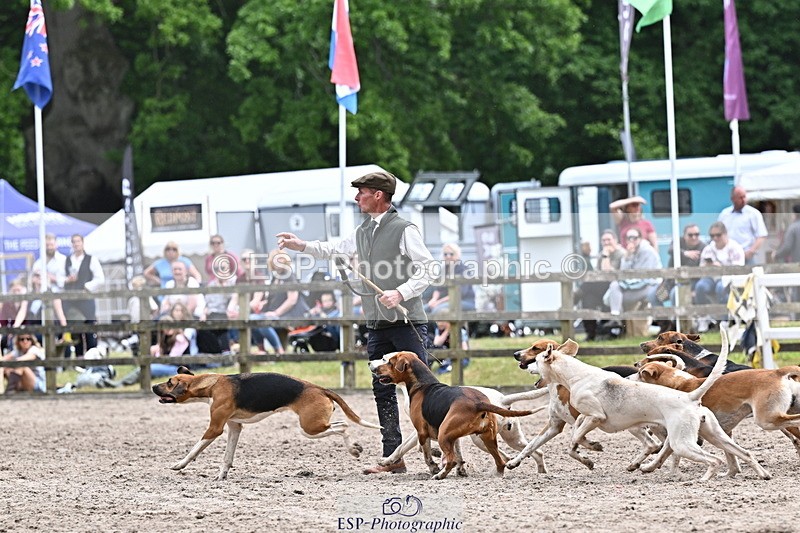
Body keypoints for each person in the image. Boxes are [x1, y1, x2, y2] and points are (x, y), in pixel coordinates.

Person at [276, 170, 435, 474]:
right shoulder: (362, 231)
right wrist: (302, 246)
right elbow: (334, 249)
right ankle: (393, 457)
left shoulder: (404, 229)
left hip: (406, 321)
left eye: (361, 191)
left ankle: (439, 448)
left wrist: (401, 293)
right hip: (376, 324)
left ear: (378, 195)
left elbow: (429, 269)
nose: (356, 197)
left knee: (422, 388)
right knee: (382, 389)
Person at [603, 227, 662, 326]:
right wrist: (627, 256)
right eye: (628, 238)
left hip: (649, 286)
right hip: (633, 285)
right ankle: (616, 320)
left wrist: (625, 283)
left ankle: (620, 325)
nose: (631, 240)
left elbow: (644, 277)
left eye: (634, 237)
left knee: (614, 297)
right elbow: (624, 272)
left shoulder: (647, 252)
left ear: (640, 238)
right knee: (614, 286)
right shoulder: (630, 251)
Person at [695, 221, 745, 331]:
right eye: (712, 235)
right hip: (711, 277)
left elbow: (738, 269)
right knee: (700, 287)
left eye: (718, 235)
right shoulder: (708, 248)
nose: (715, 238)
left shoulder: (735, 247)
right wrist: (709, 266)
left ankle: (724, 320)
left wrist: (721, 267)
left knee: (721, 287)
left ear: (725, 234)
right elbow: (701, 268)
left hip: (729, 278)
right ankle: (704, 317)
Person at [578, 229, 625, 341]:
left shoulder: (621, 253)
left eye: (608, 239)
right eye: (603, 240)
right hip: (602, 288)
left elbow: (607, 273)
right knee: (587, 299)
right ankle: (591, 334)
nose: (606, 242)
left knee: (587, 286)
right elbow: (598, 275)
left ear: (616, 240)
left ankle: (575, 295)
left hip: (617, 288)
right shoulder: (602, 254)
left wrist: (605, 255)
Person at [63, 234, 105, 355]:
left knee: (90, 330)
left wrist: (86, 287)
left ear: (82, 243)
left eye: (78, 241)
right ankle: (79, 359)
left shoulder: (91, 259)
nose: (76, 244)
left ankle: (93, 358)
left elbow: (100, 279)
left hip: (86, 299)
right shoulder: (67, 260)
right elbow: (61, 278)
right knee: (76, 330)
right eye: (74, 242)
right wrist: (67, 280)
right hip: (71, 300)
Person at [648, 223, 706, 308]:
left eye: (696, 234)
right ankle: (663, 320)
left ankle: (677, 320)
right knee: (654, 296)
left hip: (689, 284)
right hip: (670, 283)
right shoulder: (679, 242)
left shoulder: (703, 247)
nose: (694, 237)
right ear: (685, 236)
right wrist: (684, 253)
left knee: (675, 294)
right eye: (690, 235)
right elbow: (671, 250)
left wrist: (695, 290)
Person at [718, 186, 767, 265]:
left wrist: (751, 251)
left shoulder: (753, 213)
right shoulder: (724, 214)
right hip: (728, 256)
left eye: (744, 197)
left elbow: (761, 235)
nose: (743, 200)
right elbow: (718, 233)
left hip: (746, 256)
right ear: (733, 199)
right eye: (740, 197)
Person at [29, 233, 69, 330]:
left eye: (51, 245)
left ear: (56, 245)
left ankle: (65, 333)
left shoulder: (64, 260)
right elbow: (32, 282)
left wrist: (52, 277)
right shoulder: (38, 263)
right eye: (47, 245)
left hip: (62, 297)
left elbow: (68, 280)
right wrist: (36, 279)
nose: (49, 247)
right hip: (41, 297)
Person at [425, 242, 476, 314]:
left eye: (451, 254)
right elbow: (438, 289)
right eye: (445, 254)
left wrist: (438, 302)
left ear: (457, 255)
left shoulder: (464, 269)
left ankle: (437, 325)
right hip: (445, 301)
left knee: (436, 310)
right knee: (424, 310)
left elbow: (459, 293)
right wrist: (433, 300)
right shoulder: (443, 269)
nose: (448, 256)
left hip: (464, 301)